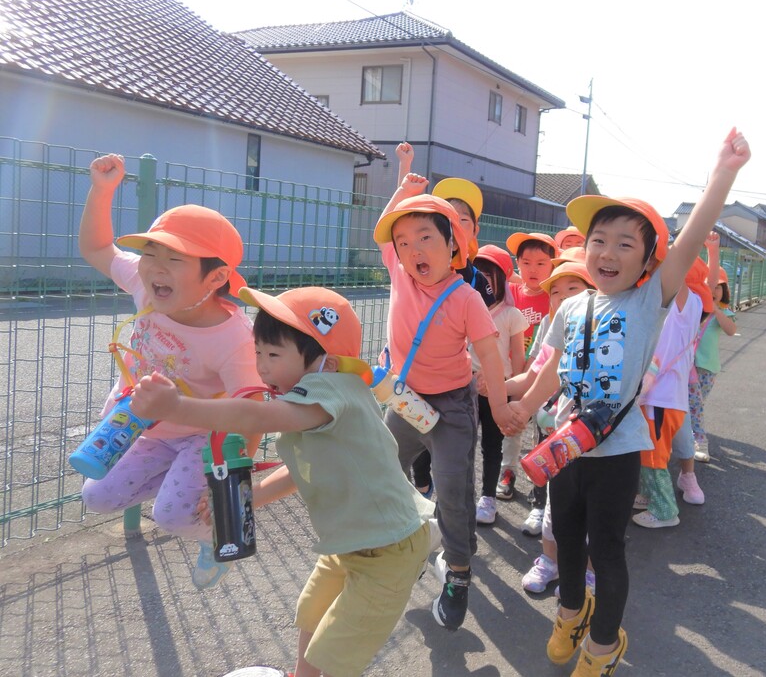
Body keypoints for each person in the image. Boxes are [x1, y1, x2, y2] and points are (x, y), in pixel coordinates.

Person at [509, 129, 751, 676]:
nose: (608, 252)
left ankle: (602, 644)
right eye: (599, 240)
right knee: (564, 536)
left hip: (617, 452)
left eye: (625, 243)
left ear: (646, 262)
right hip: (564, 446)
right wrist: (512, 400)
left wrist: (723, 175)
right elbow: (546, 371)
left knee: (607, 548)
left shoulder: (648, 301)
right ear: (583, 248)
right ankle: (571, 613)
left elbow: (690, 239)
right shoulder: (572, 307)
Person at [130, 286, 435, 677]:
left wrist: (178, 408)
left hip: (388, 551)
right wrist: (254, 495)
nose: (263, 367)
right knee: (311, 612)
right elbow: (304, 469)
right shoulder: (321, 401)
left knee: (337, 654)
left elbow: (257, 418)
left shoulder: (328, 390)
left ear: (324, 362)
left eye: (274, 355)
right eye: (258, 353)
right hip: (352, 543)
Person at [78, 153, 263, 590]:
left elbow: (252, 408)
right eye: (150, 252)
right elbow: (97, 248)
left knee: (173, 515)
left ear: (216, 278)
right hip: (142, 424)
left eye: (175, 259)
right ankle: (178, 484)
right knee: (96, 496)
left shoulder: (233, 336)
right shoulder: (146, 286)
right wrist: (102, 191)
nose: (155, 267)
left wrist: (230, 483)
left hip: (203, 432)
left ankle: (215, 535)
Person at [374, 174, 516, 631]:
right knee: (380, 466)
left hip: (452, 406)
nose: (414, 250)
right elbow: (382, 224)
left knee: (453, 487)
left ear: (452, 244)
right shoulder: (399, 273)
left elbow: (490, 354)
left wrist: (498, 408)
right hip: (404, 400)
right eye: (404, 242)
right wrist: (401, 190)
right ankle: (409, 540)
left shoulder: (466, 297)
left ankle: (457, 570)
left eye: (426, 238)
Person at [396, 143, 494, 500]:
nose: (418, 246)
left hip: (453, 386)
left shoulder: (473, 282)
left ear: (461, 236)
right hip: (409, 386)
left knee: (452, 465)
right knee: (414, 461)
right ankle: (422, 495)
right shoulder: (408, 271)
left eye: (461, 218)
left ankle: (455, 529)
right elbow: (397, 228)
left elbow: (485, 333)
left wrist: (492, 387)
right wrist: (404, 174)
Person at [509, 261, 595, 591]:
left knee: (590, 512)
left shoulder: (609, 335)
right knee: (554, 505)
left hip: (598, 441)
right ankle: (549, 561)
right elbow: (532, 378)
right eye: (555, 294)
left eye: (572, 290)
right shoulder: (552, 342)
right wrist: (497, 388)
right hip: (556, 437)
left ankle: (587, 570)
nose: (562, 299)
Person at [633, 255, 714, 528]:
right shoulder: (694, 302)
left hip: (658, 396)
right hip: (671, 396)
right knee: (652, 450)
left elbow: (658, 354)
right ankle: (647, 495)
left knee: (654, 455)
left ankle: (664, 510)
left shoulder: (676, 302)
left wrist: (639, 389)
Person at [471, 244, 528, 525]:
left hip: (498, 389)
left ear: (501, 279)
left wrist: (513, 391)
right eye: (476, 272)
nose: (481, 279)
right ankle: (461, 495)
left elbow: (518, 354)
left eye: (488, 274)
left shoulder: (510, 315)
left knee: (492, 446)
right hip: (466, 387)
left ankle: (488, 498)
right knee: (463, 444)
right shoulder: (466, 307)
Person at [499, 231, 558, 502]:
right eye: (526, 262)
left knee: (543, 428)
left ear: (553, 265)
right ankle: (507, 471)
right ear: (517, 264)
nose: (532, 269)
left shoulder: (554, 297)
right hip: (516, 374)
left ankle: (541, 478)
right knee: (513, 425)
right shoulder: (510, 293)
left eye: (541, 263)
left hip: (545, 377)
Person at [690, 266, 738, 463]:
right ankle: (699, 440)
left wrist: (716, 310)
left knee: (697, 404)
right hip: (687, 366)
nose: (714, 291)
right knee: (694, 404)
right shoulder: (693, 307)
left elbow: (731, 330)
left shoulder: (724, 313)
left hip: (708, 368)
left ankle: (690, 435)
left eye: (719, 287)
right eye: (710, 286)